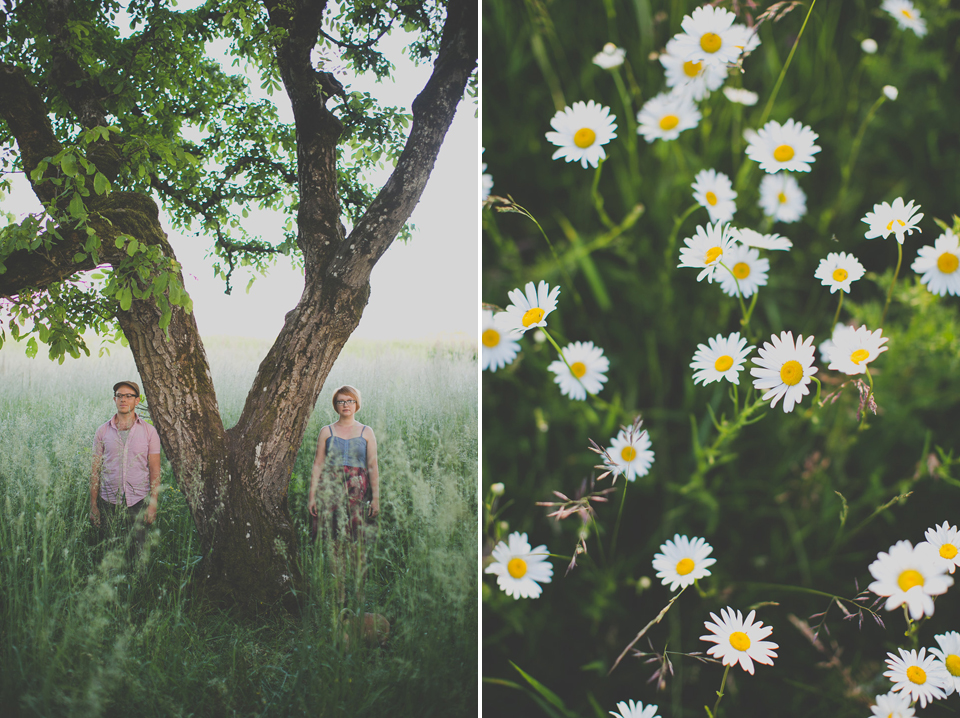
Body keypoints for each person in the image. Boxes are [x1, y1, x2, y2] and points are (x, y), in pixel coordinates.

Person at [90, 380, 162, 556]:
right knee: (108, 550)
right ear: (114, 399)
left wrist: (153, 504)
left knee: (137, 551)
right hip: (107, 499)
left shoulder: (149, 431)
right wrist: (93, 504)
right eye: (119, 396)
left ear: (137, 401)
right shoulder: (102, 431)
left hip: (138, 500)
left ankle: (138, 582)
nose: (123, 399)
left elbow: (155, 470)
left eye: (128, 396)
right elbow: (95, 471)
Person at [307, 384, 380, 543]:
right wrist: (312, 496)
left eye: (350, 401)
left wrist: (376, 498)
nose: (345, 405)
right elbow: (318, 464)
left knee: (354, 535)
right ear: (335, 405)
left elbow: (373, 466)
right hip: (330, 487)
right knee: (329, 534)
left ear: (356, 404)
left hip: (357, 488)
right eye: (341, 402)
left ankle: (353, 567)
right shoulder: (326, 431)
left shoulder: (366, 432)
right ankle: (327, 566)